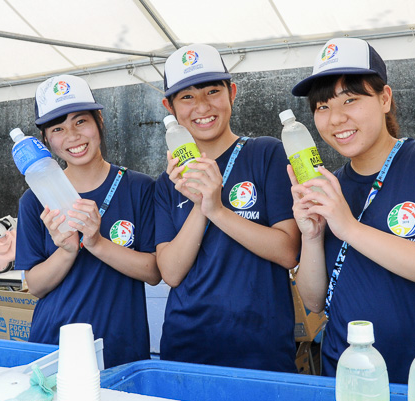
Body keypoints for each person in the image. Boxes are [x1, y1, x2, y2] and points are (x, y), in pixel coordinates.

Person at [288, 38, 415, 388]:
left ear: (384, 98)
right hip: (349, 379)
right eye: (322, 106)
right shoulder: (330, 188)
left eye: (351, 99)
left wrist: (348, 226)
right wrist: (312, 235)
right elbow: (315, 302)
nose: (336, 118)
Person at [155, 43, 300, 372]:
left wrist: (218, 209)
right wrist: (199, 205)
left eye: (212, 91)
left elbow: (288, 251)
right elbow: (171, 273)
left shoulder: (266, 153)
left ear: (231, 92)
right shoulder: (167, 182)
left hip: (261, 343)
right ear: (170, 107)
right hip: (186, 344)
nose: (202, 106)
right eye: (187, 97)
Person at [15, 74, 160, 368]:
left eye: (81, 121)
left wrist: (96, 242)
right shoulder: (33, 200)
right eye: (58, 128)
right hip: (55, 348)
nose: (73, 136)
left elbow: (154, 271)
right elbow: (35, 285)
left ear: (100, 122)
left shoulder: (139, 188)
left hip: (121, 346)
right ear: (46, 139)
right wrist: (67, 251)